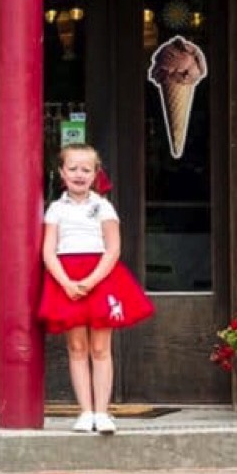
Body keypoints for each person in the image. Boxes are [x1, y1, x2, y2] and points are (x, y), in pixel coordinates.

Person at [38, 144, 154, 434]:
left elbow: (113, 248)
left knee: (101, 348)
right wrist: (66, 282)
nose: (79, 174)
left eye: (86, 170)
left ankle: (102, 412)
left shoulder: (104, 206)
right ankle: (85, 411)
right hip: (65, 278)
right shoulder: (55, 208)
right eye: (73, 168)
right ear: (62, 172)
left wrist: (90, 281)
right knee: (76, 347)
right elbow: (48, 251)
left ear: (95, 174)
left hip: (100, 277)